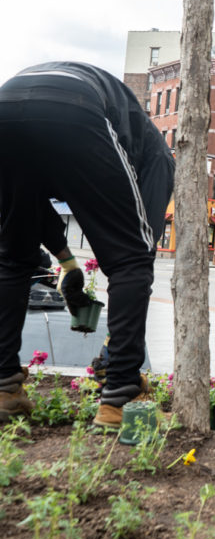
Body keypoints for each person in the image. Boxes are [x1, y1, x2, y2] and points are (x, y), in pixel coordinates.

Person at [0, 61, 175, 427]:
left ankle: (4, 389)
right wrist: (118, 349)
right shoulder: (158, 156)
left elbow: (32, 212)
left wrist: (69, 266)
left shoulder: (121, 141)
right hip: (74, 104)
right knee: (133, 259)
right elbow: (136, 250)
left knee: (12, 258)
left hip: (7, 103)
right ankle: (121, 394)